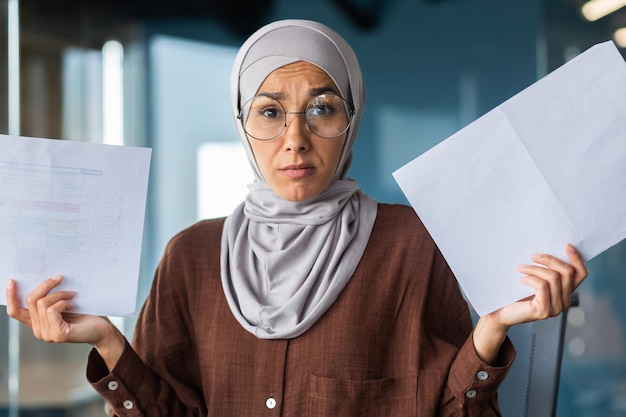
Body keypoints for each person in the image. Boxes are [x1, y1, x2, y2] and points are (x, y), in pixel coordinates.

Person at [6, 19, 587, 416]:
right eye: (269, 111)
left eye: (322, 109)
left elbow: (451, 411)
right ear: (242, 123)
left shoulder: (414, 243)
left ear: (351, 119)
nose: (295, 139)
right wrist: (107, 340)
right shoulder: (190, 258)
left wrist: (492, 329)